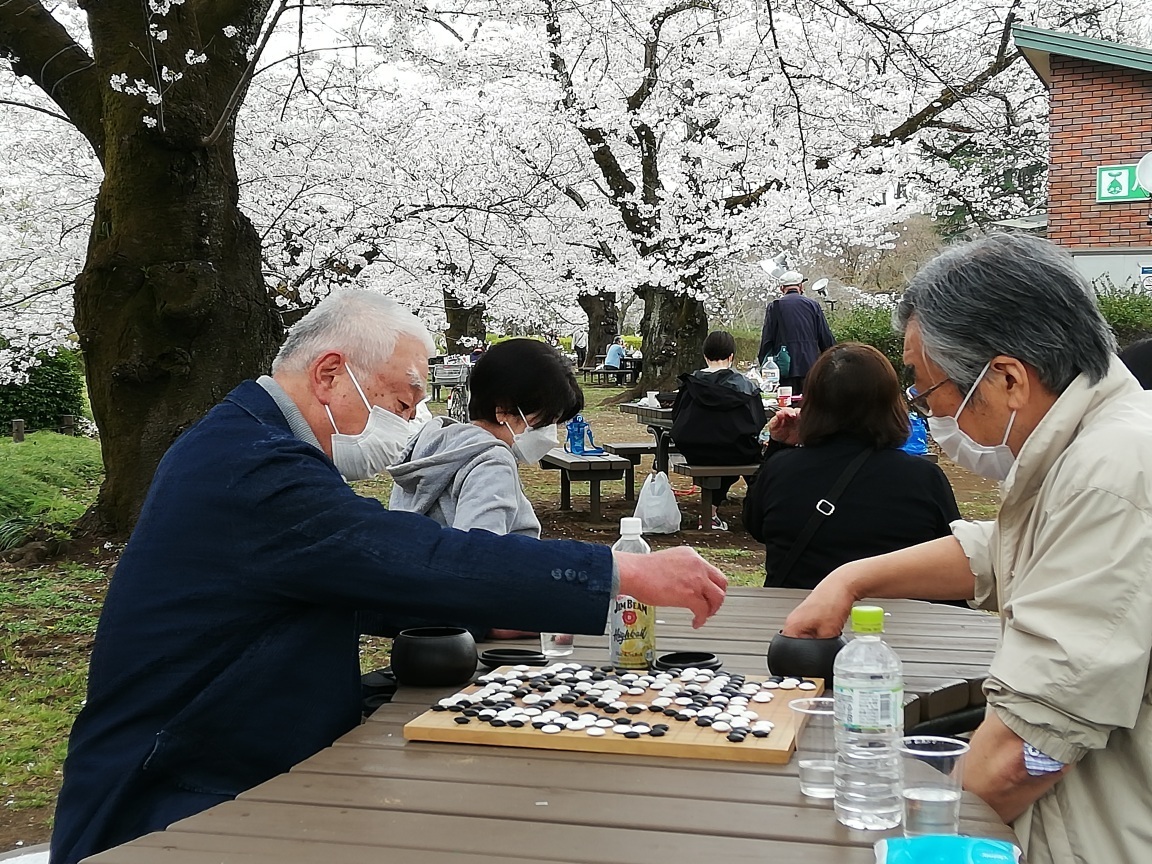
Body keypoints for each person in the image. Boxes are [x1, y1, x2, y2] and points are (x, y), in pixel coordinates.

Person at [49, 291, 727, 864]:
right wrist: (622, 569)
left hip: (220, 763)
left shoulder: (245, 440)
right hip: (167, 801)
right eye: (404, 400)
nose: (410, 420)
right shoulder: (254, 467)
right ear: (330, 374)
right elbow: (419, 556)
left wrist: (496, 609)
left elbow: (364, 580)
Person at [782, 234, 1152, 864]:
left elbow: (1022, 753)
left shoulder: (1110, 475)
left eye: (931, 391)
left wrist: (917, 843)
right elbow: (1010, 548)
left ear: (1008, 378)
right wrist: (852, 578)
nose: (931, 413)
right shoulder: (1102, 442)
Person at [743, 343, 961, 589]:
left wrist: (778, 447)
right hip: (894, 617)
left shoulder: (780, 469)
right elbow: (954, 553)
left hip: (798, 618)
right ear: (890, 403)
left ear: (812, 402)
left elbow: (755, 525)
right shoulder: (924, 478)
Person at [389, 337, 579, 540]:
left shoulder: (433, 446)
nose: (549, 433)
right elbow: (479, 555)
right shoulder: (493, 463)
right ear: (503, 409)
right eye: (544, 420)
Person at [670, 331, 766, 530]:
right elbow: (759, 423)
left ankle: (711, 514)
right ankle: (759, 510)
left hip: (696, 451)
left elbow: (676, 417)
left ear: (705, 355)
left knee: (723, 454)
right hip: (737, 450)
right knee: (756, 458)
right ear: (732, 356)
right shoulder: (746, 387)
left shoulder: (691, 384)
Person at [757, 270, 836, 394]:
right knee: (808, 406)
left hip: (785, 368)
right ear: (801, 287)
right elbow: (825, 338)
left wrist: (764, 364)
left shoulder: (774, 306)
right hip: (810, 366)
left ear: (782, 288)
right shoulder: (813, 305)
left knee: (786, 406)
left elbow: (767, 340)